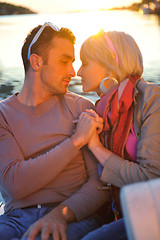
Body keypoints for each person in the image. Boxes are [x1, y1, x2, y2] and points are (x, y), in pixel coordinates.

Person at [0, 22, 110, 240]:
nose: (73, 72)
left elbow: (99, 184)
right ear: (36, 62)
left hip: (72, 214)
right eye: (64, 61)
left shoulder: (81, 108)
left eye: (73, 62)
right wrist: (76, 141)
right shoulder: (3, 115)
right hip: (14, 219)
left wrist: (61, 215)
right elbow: (15, 185)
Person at [74, 30, 160, 240]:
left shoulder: (152, 100)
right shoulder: (102, 111)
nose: (77, 71)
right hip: (120, 209)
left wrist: (95, 147)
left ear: (109, 63)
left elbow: (150, 179)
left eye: (85, 63)